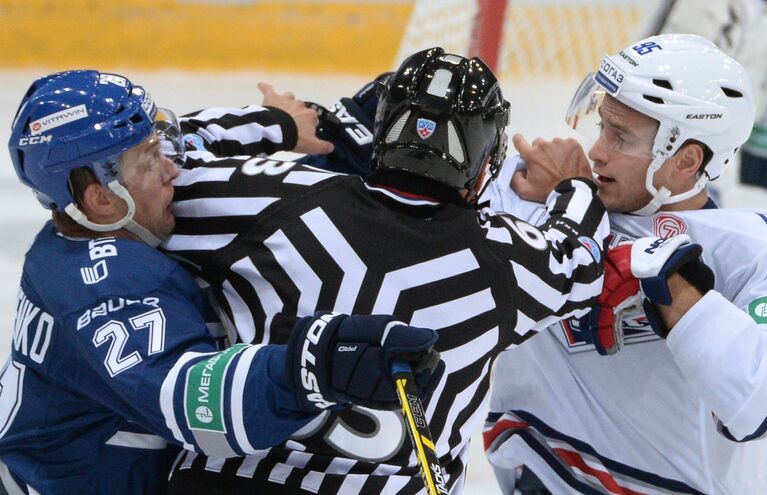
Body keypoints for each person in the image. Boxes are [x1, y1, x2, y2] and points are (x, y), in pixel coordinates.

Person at [160, 46, 610, 495]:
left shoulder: (269, 197)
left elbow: (153, 162)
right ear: (483, 164)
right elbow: (582, 260)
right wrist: (575, 185)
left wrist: (273, 125)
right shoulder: (507, 260)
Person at [0, 70, 443, 494]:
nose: (171, 168)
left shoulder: (114, 217)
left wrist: (286, 129)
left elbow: (194, 138)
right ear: (101, 198)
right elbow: (195, 406)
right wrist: (314, 368)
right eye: (150, 159)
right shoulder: (100, 288)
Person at [482, 34, 767, 494]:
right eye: (603, 128)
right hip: (538, 473)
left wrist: (666, 282)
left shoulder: (750, 251)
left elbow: (755, 404)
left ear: (685, 160)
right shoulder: (539, 195)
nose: (597, 151)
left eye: (621, 136)